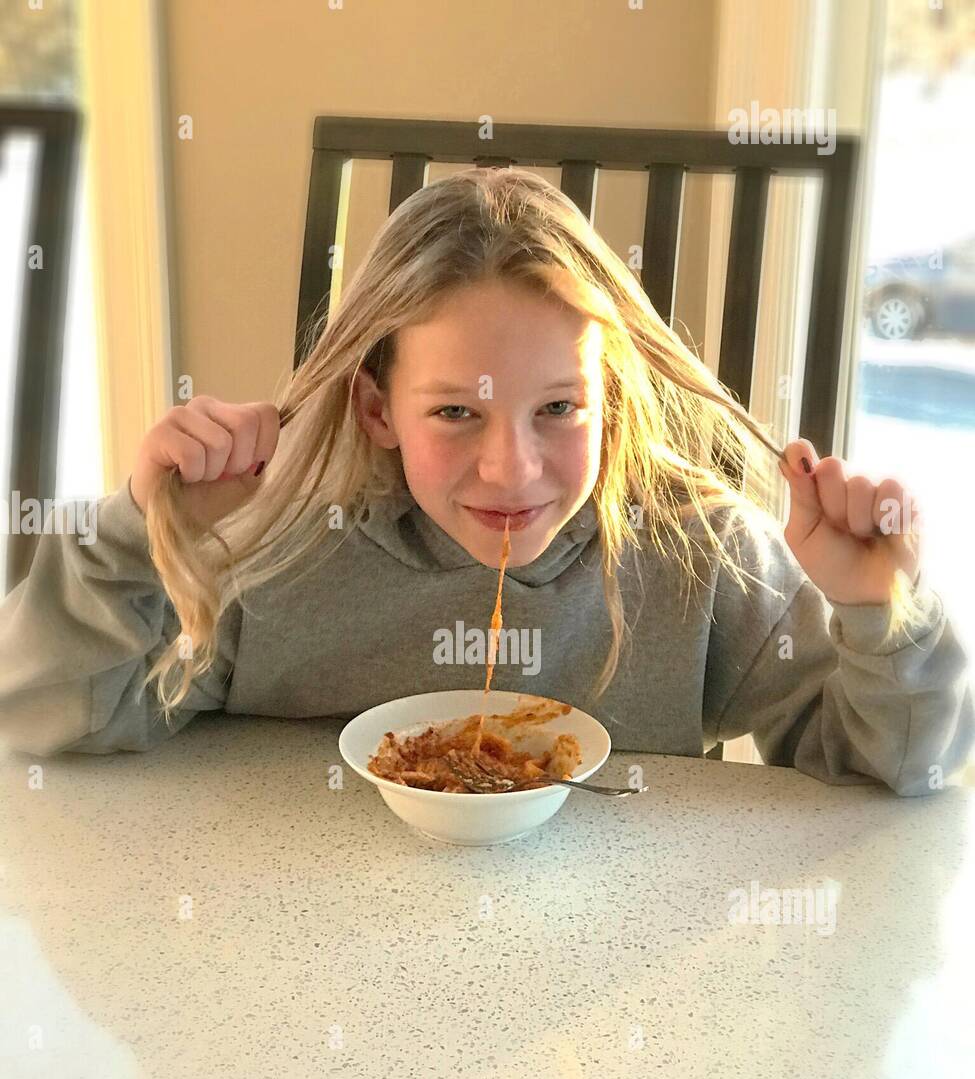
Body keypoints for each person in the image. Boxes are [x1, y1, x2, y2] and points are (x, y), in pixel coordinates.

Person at [0, 168, 971, 795]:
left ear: (612, 400)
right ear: (378, 409)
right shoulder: (277, 549)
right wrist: (139, 534)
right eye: (456, 412)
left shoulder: (701, 558)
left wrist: (882, 614)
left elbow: (905, 763)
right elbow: (47, 713)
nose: (513, 469)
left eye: (560, 409)